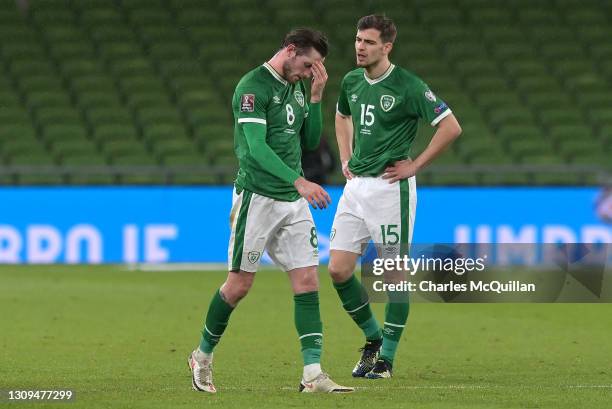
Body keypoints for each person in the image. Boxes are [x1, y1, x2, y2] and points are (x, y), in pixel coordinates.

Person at [188, 28, 354, 394]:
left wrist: (315, 97)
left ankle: (312, 373)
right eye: (308, 64)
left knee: (308, 280)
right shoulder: (253, 87)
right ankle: (202, 355)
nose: (310, 71)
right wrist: (300, 182)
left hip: (292, 204)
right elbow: (257, 149)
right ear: (290, 51)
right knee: (239, 286)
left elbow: (310, 142)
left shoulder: (299, 85)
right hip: (257, 198)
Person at [329, 15, 462, 379]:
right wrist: (345, 155)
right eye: (358, 39)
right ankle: (373, 337)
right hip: (356, 188)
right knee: (338, 269)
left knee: (392, 274)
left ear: (387, 47)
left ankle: (386, 360)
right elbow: (342, 117)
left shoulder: (408, 86)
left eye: (369, 42)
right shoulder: (352, 80)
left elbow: (451, 126)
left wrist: (415, 164)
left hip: (391, 189)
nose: (359, 46)